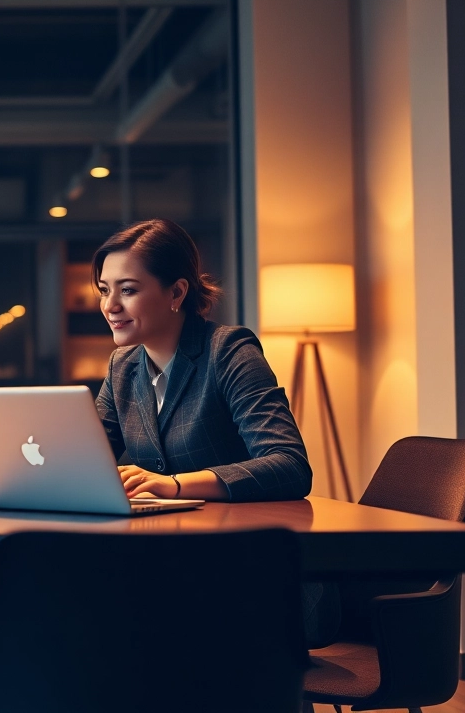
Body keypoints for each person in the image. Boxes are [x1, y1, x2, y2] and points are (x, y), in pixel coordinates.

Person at [92, 219, 338, 646]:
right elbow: (86, 458)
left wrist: (173, 485)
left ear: (176, 293)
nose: (110, 305)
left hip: (252, 576)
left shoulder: (229, 351)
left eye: (127, 289)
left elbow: (290, 465)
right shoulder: (123, 367)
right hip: (170, 566)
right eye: (103, 289)